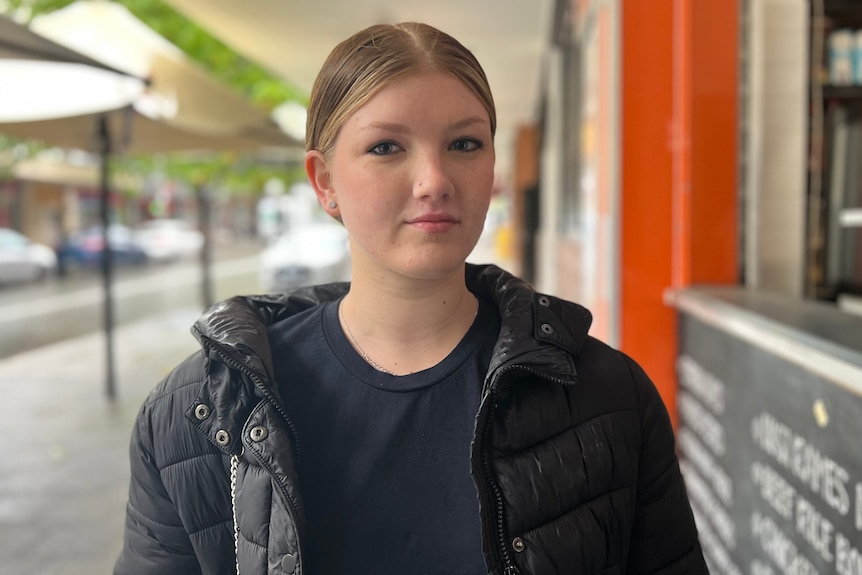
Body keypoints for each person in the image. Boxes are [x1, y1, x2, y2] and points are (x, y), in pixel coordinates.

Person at [114, 22, 708, 575]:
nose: (434, 181)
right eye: (386, 148)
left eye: (465, 144)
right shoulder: (196, 413)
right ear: (325, 182)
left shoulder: (608, 397)